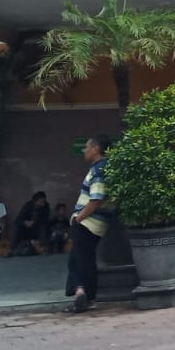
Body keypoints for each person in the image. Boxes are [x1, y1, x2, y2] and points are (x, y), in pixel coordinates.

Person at [65, 135, 112, 314]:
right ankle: (82, 293)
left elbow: (96, 199)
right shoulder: (100, 168)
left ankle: (84, 294)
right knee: (80, 259)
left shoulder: (99, 170)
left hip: (88, 223)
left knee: (81, 260)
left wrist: (79, 218)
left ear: (95, 149)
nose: (84, 150)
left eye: (87, 147)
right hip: (92, 223)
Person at [11, 191, 50, 255]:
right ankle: (13, 249)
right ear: (35, 201)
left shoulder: (46, 207)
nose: (42, 204)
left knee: (42, 227)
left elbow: (45, 220)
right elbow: (19, 218)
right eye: (40, 202)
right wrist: (25, 222)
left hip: (37, 228)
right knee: (16, 226)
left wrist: (34, 222)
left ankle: (43, 247)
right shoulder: (28, 205)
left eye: (43, 202)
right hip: (26, 229)